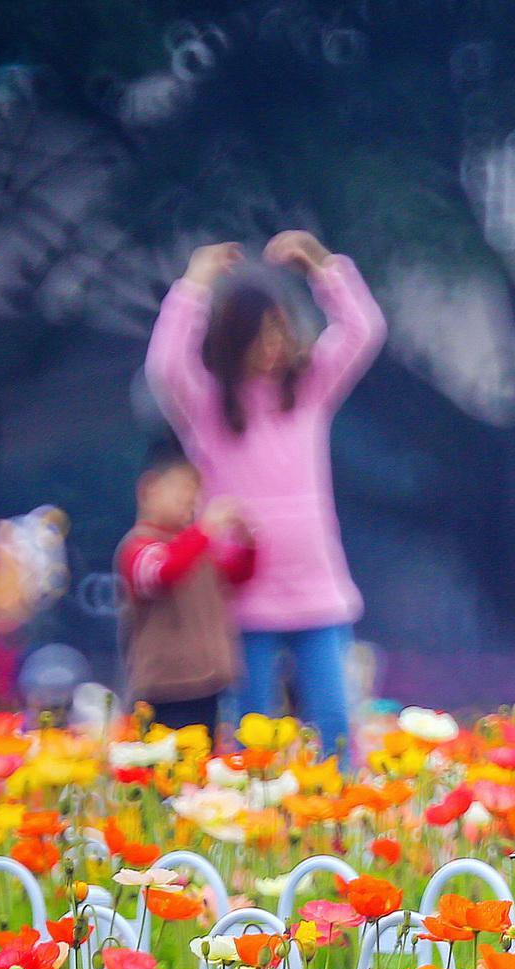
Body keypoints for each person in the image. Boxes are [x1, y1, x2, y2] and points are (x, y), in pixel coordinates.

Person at [145, 232, 385, 755]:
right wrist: (195, 284)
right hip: (242, 597)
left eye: (279, 332)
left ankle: (342, 824)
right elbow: (165, 366)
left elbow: (364, 330)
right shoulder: (207, 408)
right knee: (255, 729)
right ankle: (259, 828)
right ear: (233, 340)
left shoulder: (309, 392)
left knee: (335, 722)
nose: (272, 346)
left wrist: (322, 266)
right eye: (259, 335)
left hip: (317, 592)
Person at [116, 442, 256, 735]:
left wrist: (247, 543)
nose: (189, 501)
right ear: (149, 489)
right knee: (165, 768)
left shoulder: (198, 546)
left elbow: (235, 578)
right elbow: (165, 571)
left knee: (202, 768)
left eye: (194, 494)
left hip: (208, 683)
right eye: (180, 490)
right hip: (165, 690)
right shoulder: (139, 547)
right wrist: (204, 530)